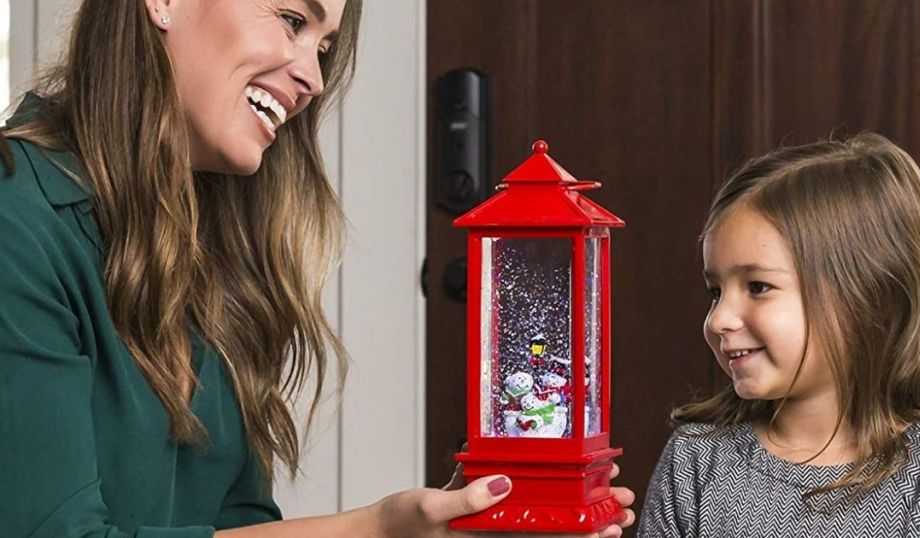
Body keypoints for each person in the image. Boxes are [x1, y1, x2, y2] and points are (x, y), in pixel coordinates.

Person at [0, 1, 635, 536]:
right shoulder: (16, 217)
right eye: (290, 18)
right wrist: (373, 529)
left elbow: (233, 524)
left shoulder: (209, 249)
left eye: (325, 48)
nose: (313, 77)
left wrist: (415, 526)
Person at [637, 133, 920, 537]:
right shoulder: (696, 459)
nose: (718, 320)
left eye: (757, 287)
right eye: (716, 292)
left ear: (862, 298)